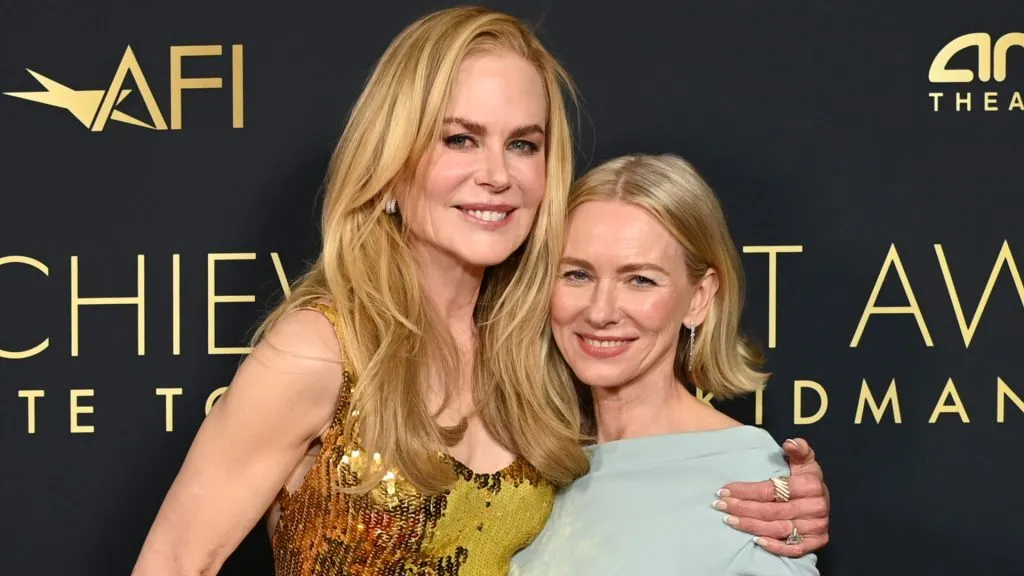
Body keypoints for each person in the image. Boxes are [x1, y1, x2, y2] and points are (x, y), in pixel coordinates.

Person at [130, 7, 829, 576]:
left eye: (523, 144)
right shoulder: (325, 351)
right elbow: (175, 561)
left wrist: (781, 493)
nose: (497, 174)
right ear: (394, 160)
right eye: (461, 140)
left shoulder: (538, 353)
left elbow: (641, 485)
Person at [510, 153, 822, 575]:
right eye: (577, 275)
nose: (601, 311)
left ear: (699, 298)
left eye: (640, 280)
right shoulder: (528, 454)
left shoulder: (746, 478)